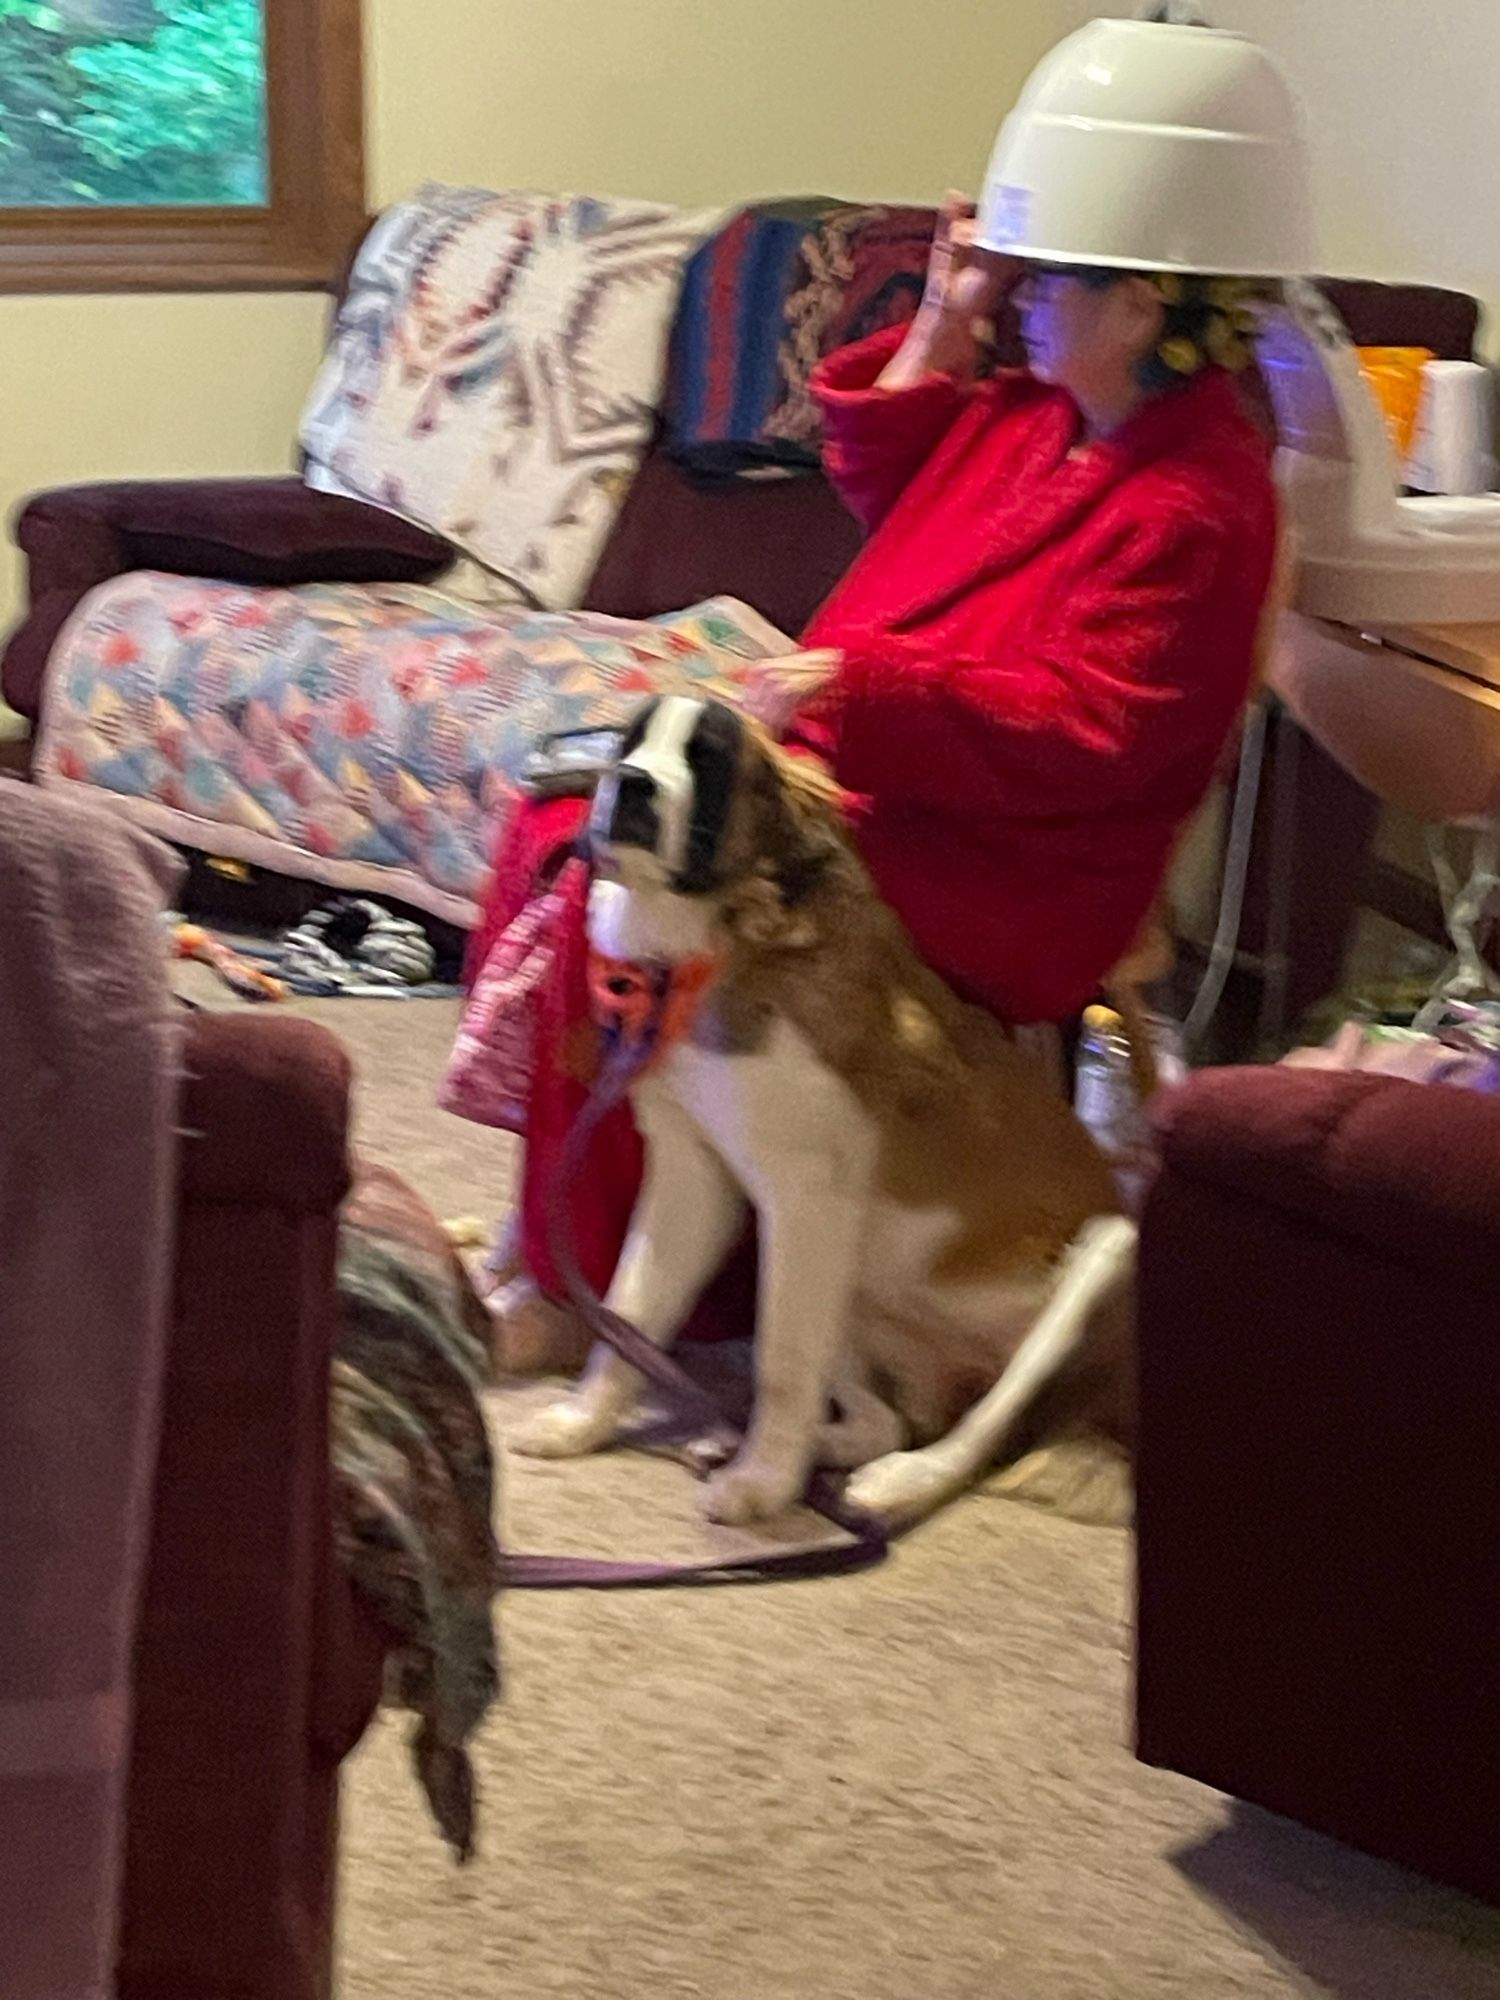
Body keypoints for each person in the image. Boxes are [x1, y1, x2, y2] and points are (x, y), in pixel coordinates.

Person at [464, 177, 1279, 1358]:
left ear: (1142, 309)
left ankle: (601, 1277)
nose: (1027, 301)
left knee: (623, 877)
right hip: (886, 788)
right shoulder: (1043, 415)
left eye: (1050, 282)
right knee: (569, 823)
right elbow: (898, 490)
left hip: (1011, 860)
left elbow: (1091, 731)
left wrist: (860, 687)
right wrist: (949, 321)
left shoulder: (1200, 501)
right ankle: (576, 1223)